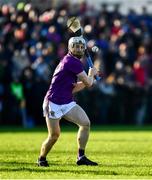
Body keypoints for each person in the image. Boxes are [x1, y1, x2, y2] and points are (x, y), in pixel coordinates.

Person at [37, 36, 98, 167]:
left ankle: (81, 156)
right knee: (54, 136)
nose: (79, 49)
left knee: (85, 123)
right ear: (70, 48)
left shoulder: (72, 62)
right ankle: (41, 159)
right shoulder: (72, 62)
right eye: (75, 46)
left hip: (66, 101)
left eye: (81, 47)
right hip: (53, 102)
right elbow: (88, 83)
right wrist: (92, 74)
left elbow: (73, 88)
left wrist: (91, 79)